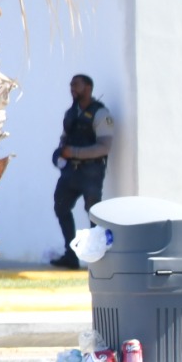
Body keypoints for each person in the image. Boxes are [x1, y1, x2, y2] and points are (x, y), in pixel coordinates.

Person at [51, 74, 114, 268]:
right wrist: (60, 154)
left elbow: (104, 147)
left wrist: (75, 152)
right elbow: (64, 139)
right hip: (70, 171)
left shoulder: (101, 114)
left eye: (76, 85)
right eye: (71, 85)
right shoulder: (71, 113)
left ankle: (98, 259)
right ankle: (71, 255)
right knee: (61, 207)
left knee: (94, 213)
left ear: (88, 88)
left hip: (91, 172)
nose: (72, 88)